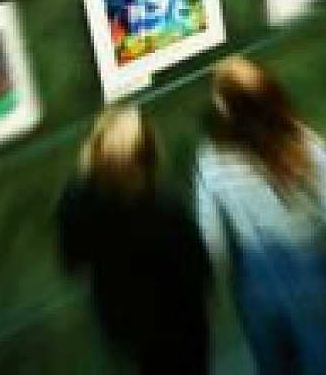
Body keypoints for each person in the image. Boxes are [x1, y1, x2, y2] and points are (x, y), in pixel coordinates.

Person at [196, 56, 326, 375]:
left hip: (256, 274)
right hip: (310, 262)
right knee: (323, 357)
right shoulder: (305, 144)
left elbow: (211, 232)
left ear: (228, 108)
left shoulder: (213, 158)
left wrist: (215, 279)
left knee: (273, 362)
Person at [58, 106, 211, 374]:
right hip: (175, 326)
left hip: (121, 320)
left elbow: (72, 261)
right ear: (147, 155)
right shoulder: (163, 209)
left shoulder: (74, 199)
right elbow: (197, 273)